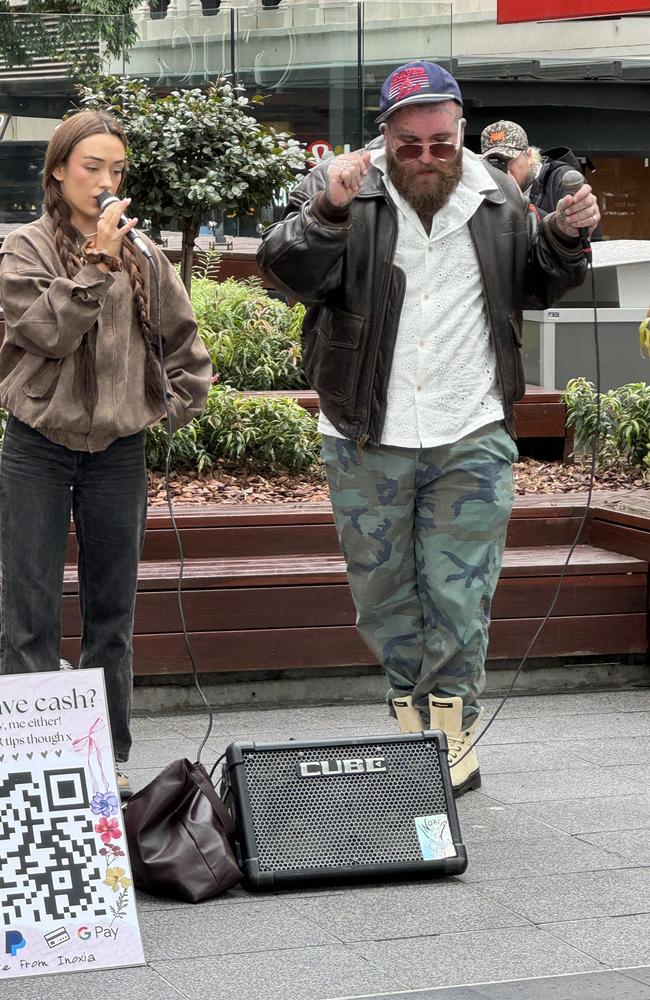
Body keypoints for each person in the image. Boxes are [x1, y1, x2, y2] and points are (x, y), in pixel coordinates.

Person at [257, 61, 600, 797]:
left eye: (440, 143)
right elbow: (284, 271)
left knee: (460, 592)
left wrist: (567, 240)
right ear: (384, 135)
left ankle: (451, 729)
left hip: (470, 427)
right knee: (383, 594)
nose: (425, 157)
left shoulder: (498, 195)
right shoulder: (346, 186)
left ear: (461, 132)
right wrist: (328, 214)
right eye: (408, 144)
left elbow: (536, 278)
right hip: (364, 430)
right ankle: (409, 727)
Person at [0, 111, 212, 799]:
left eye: (116, 169)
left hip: (119, 451)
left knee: (110, 613)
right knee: (27, 608)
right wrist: (95, 262)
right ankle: (30, 758)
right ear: (58, 170)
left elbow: (186, 346)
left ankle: (107, 758)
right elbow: (46, 333)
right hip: (37, 446)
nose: (105, 181)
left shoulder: (144, 255)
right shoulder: (24, 250)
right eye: (91, 166)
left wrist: (166, 406)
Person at [480, 119, 601, 232]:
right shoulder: (485, 187)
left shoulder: (560, 180)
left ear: (529, 155)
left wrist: (519, 202)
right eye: (494, 164)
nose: (503, 170)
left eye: (509, 161)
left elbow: (574, 236)